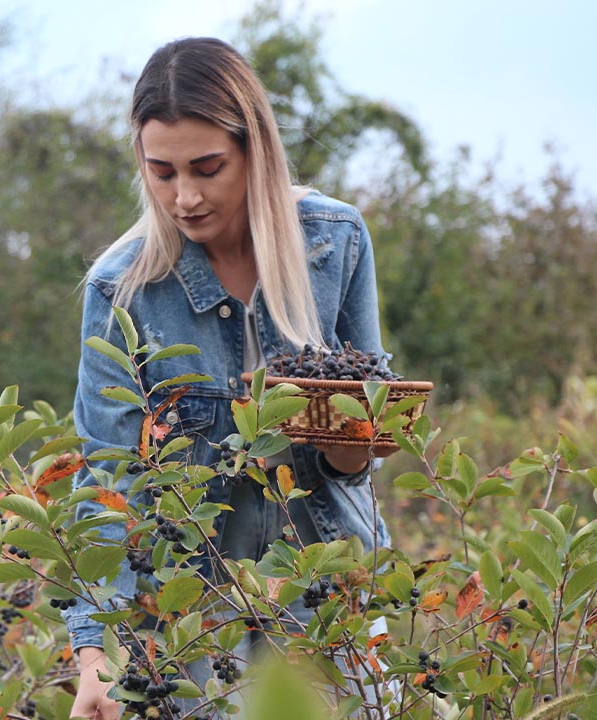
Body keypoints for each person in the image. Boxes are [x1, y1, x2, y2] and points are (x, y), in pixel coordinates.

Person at [65, 37, 394, 720]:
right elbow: (108, 477)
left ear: (256, 152)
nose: (184, 196)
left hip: (328, 607)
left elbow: (358, 463)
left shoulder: (334, 243)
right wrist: (95, 654)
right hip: (196, 623)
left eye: (207, 168)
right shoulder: (123, 288)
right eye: (162, 172)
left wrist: (349, 438)